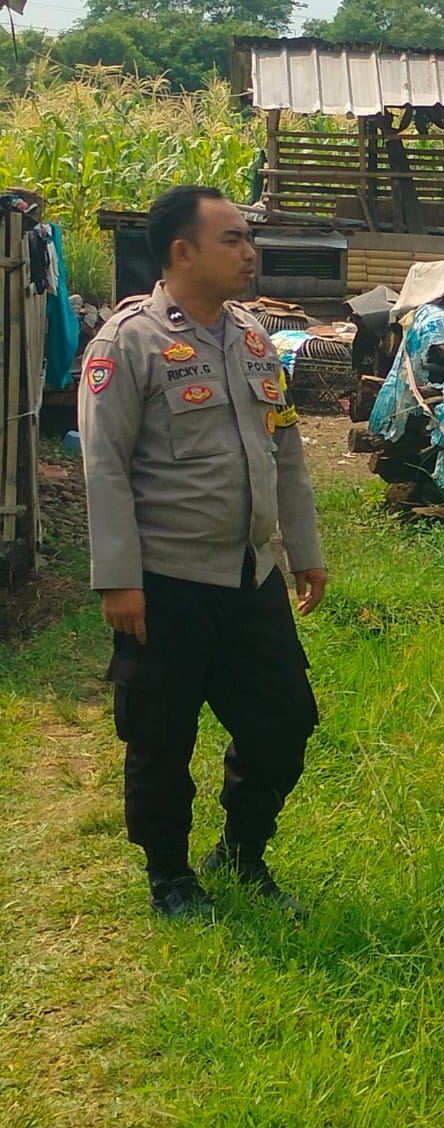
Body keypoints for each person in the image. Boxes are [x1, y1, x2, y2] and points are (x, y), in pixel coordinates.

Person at [78, 185, 328, 921]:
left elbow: (286, 450)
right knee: (161, 737)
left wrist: (303, 549)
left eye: (248, 238)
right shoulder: (128, 342)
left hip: (251, 575)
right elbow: (103, 466)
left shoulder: (253, 337)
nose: (249, 252)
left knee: (284, 721)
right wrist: (118, 579)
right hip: (167, 581)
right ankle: (170, 877)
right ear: (182, 252)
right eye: (232, 239)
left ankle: (244, 852)